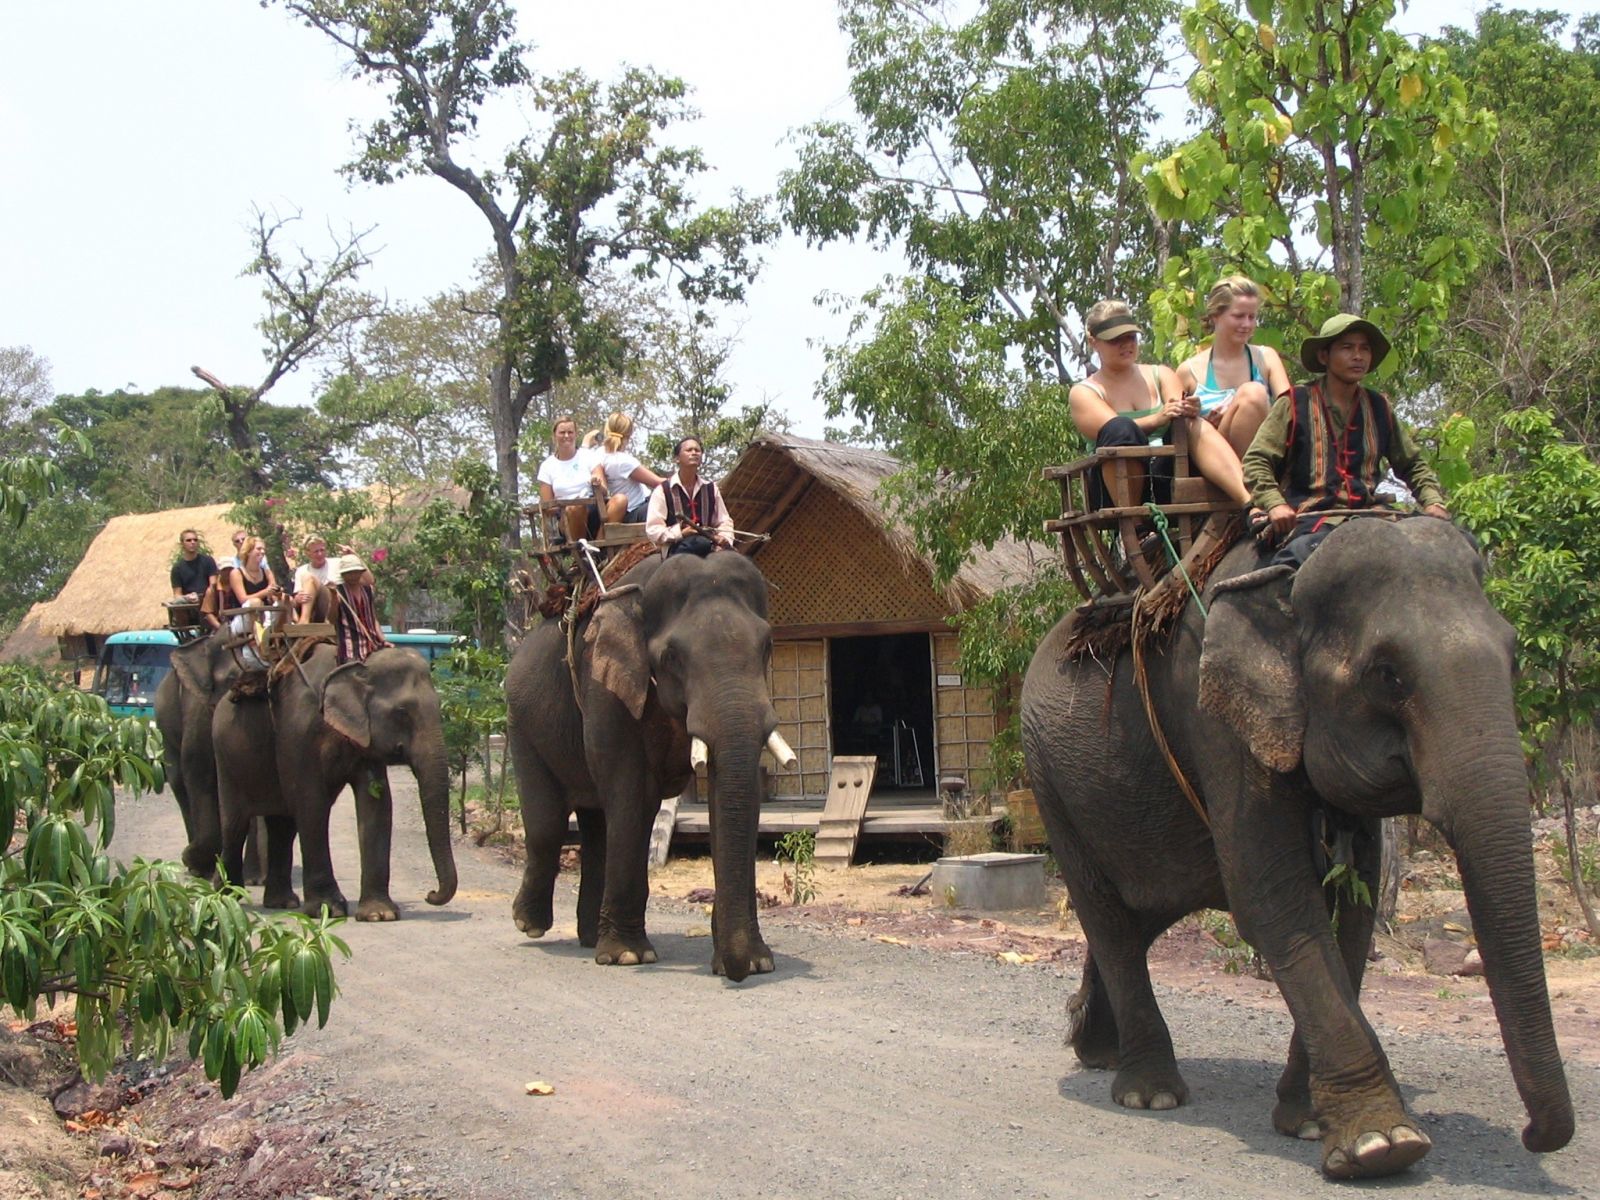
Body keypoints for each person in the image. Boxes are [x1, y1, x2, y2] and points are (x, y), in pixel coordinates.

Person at [1243, 313, 1450, 567]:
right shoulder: (1295, 403)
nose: (1358, 356)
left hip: (1372, 515)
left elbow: (1412, 463)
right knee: (1295, 561)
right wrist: (1275, 505)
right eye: (1347, 348)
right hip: (1310, 517)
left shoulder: (1379, 407)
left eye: (1364, 349)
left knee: (1455, 545)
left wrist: (1433, 501)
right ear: (1324, 356)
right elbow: (1257, 460)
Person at [1068, 299, 1252, 512]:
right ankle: (1133, 526)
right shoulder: (1084, 392)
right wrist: (1158, 419)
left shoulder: (1162, 374)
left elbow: (1177, 411)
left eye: (1130, 337)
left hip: (1169, 477)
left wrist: (1188, 409)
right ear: (1093, 341)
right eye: (1115, 340)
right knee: (1120, 428)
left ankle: (1249, 501)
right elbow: (1113, 431)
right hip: (1115, 489)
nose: (1126, 344)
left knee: (1190, 424)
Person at [1176, 275, 1292, 457]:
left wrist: (1240, 412)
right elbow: (1176, 430)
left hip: (1263, 455)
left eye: (1252, 317)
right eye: (1238, 316)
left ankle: (1253, 477)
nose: (1246, 324)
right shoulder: (1188, 371)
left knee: (1253, 394)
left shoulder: (1266, 358)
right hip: (1215, 460)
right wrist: (1201, 420)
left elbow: (1289, 412)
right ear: (1215, 316)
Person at [645, 436, 736, 557]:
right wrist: (680, 533)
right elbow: (653, 529)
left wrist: (724, 538)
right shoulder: (663, 490)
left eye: (697, 450)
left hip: (709, 544)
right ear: (677, 459)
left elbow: (724, 520)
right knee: (699, 544)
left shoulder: (711, 488)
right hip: (677, 547)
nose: (694, 453)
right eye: (689, 450)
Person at [590, 412, 667, 525]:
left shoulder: (599, 453)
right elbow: (658, 482)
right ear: (629, 434)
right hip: (634, 509)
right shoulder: (623, 461)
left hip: (628, 507)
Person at [536, 416, 601, 544]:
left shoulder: (588, 456)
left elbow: (603, 487)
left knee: (619, 500)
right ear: (554, 436)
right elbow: (548, 506)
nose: (566, 436)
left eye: (570, 432)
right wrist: (568, 507)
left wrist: (597, 482)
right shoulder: (547, 466)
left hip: (593, 511)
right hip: (564, 518)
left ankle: (596, 552)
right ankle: (581, 554)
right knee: (575, 509)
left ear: (576, 434)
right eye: (562, 432)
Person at [332, 553, 389, 664]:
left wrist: (383, 639)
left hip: (372, 643)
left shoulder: (368, 591)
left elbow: (372, 617)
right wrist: (334, 601)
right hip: (350, 648)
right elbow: (331, 619)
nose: (353, 576)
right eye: (349, 573)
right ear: (343, 574)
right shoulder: (338, 593)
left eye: (356, 572)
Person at [291, 535, 336, 622]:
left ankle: (304, 620)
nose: (320, 554)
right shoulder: (301, 570)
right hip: (314, 608)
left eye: (322, 550)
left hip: (332, 605)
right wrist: (298, 598)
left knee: (309, 578)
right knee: (286, 600)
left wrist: (353, 555)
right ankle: (300, 621)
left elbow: (369, 580)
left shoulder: (336, 563)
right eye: (316, 551)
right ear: (308, 553)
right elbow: (297, 596)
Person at [169, 529, 217, 605]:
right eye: (188, 540)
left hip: (208, 600)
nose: (193, 542)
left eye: (195, 540)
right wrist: (186, 598)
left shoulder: (208, 561)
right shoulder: (177, 568)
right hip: (188, 604)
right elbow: (177, 594)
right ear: (182, 544)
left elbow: (213, 585)